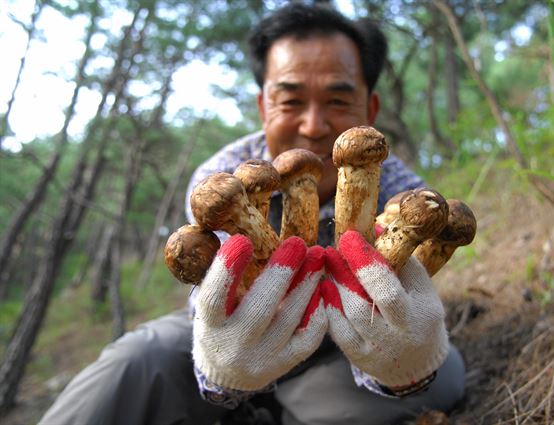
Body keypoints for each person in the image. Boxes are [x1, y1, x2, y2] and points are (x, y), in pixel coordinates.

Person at [39, 4, 465, 425]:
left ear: (369, 111)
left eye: (337, 99)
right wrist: (222, 370)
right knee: (131, 364)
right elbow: (216, 300)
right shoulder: (223, 178)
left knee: (437, 375)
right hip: (227, 330)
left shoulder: (394, 182)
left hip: (342, 339)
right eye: (291, 99)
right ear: (263, 106)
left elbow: (408, 291)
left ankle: (277, 408)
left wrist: (397, 365)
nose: (314, 125)